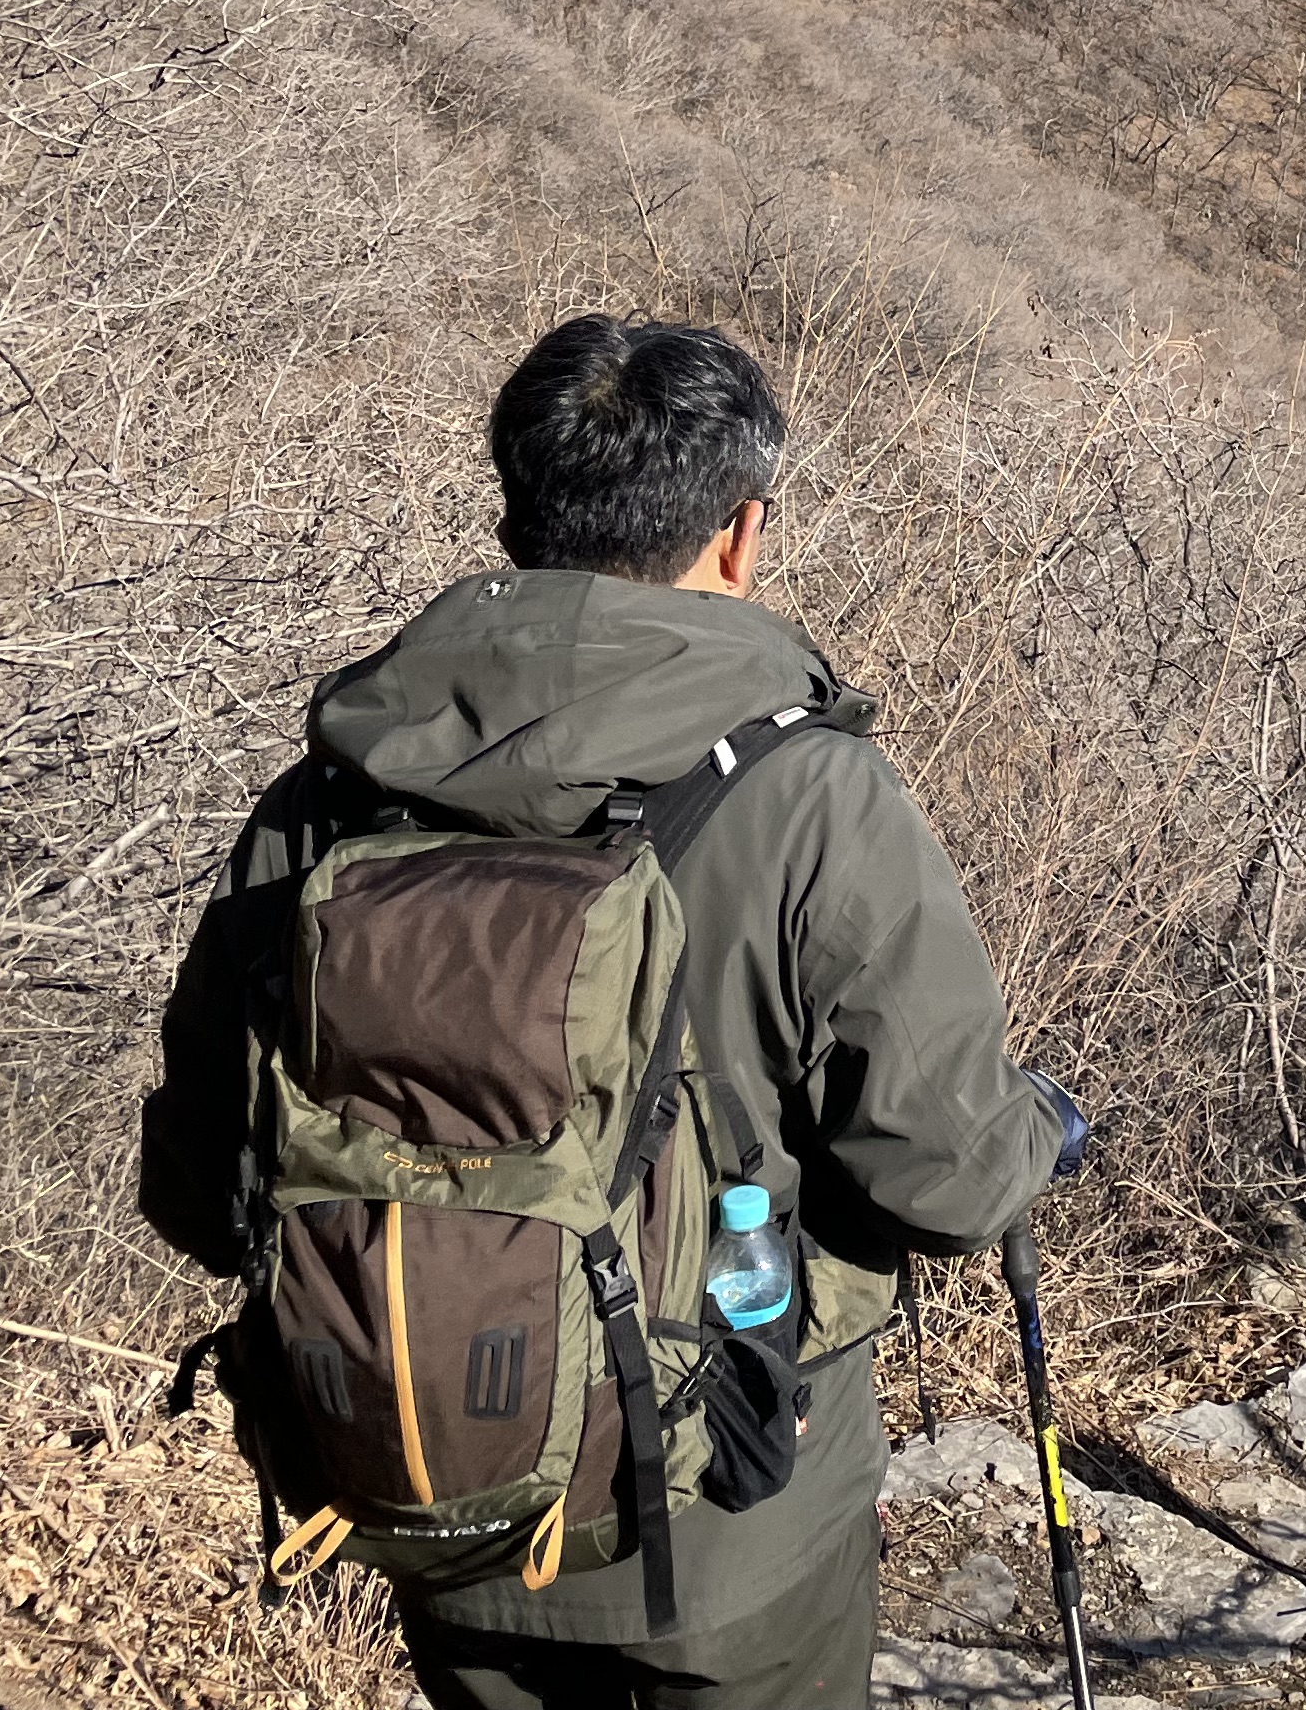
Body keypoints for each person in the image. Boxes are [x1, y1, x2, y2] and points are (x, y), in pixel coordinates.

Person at [141, 315, 1073, 1709]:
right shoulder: (813, 798)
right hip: (736, 1514)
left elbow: (204, 1192)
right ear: (741, 535)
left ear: (514, 523)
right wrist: (1041, 1131)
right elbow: (950, 1182)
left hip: (434, 1488)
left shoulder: (330, 797)